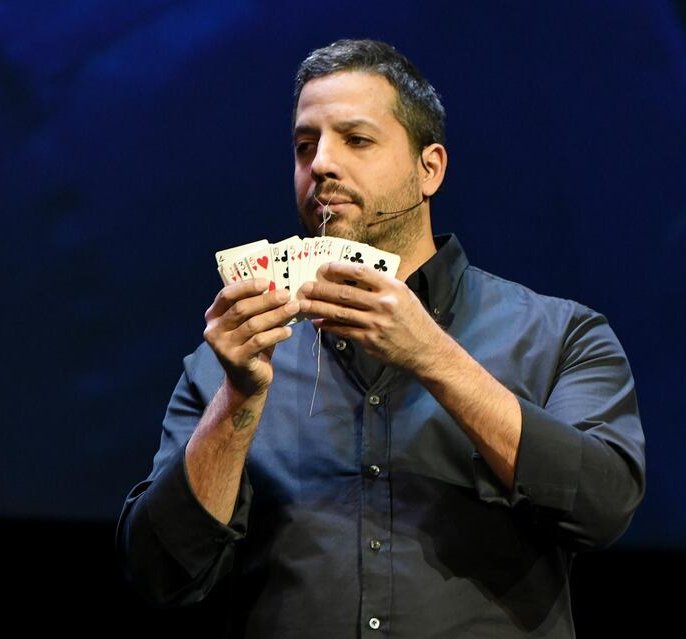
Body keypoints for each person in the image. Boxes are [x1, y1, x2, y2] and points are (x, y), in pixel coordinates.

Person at [116, 38, 645, 638]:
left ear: (430, 169)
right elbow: (160, 573)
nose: (320, 164)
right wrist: (236, 403)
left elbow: (603, 508)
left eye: (356, 140)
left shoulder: (560, 335)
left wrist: (433, 355)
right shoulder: (232, 358)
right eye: (304, 145)